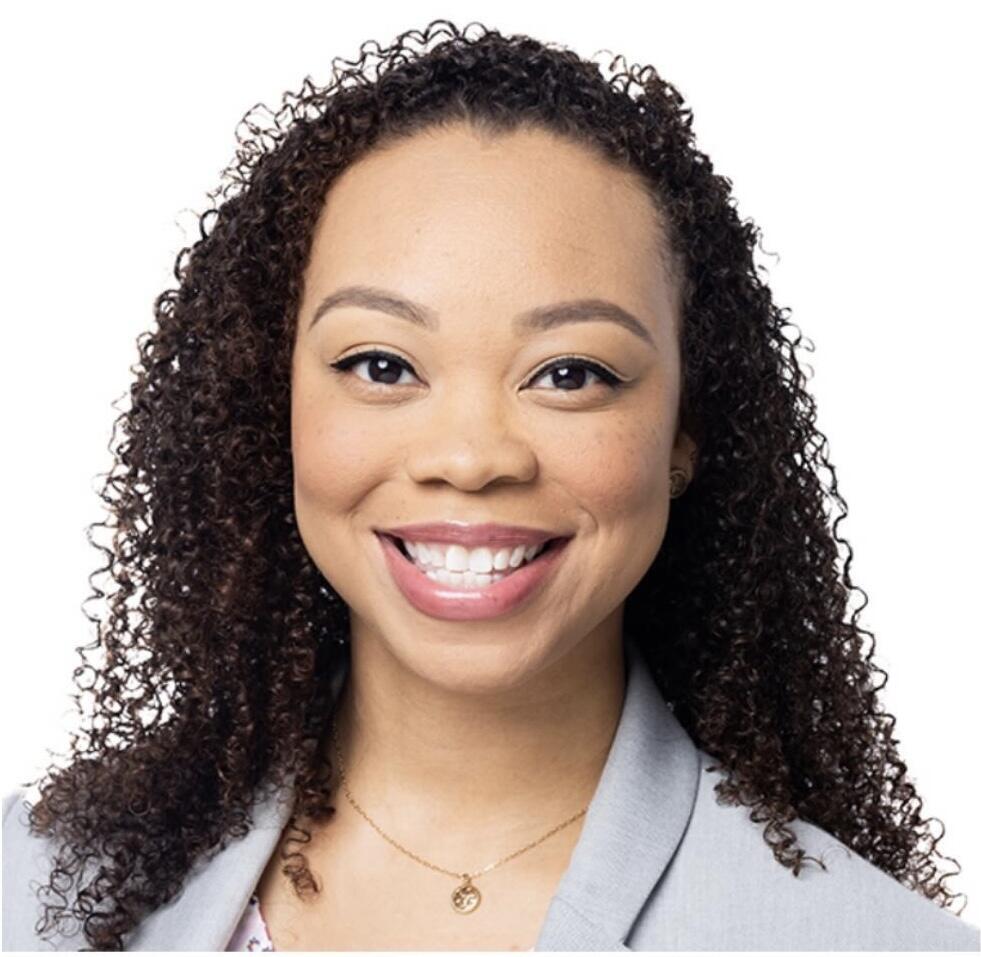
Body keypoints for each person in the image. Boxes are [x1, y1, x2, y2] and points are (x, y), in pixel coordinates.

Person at [2, 18, 978, 952]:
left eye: (570, 373)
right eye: (381, 364)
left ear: (686, 429)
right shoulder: (28, 880)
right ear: (274, 405)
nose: (470, 459)